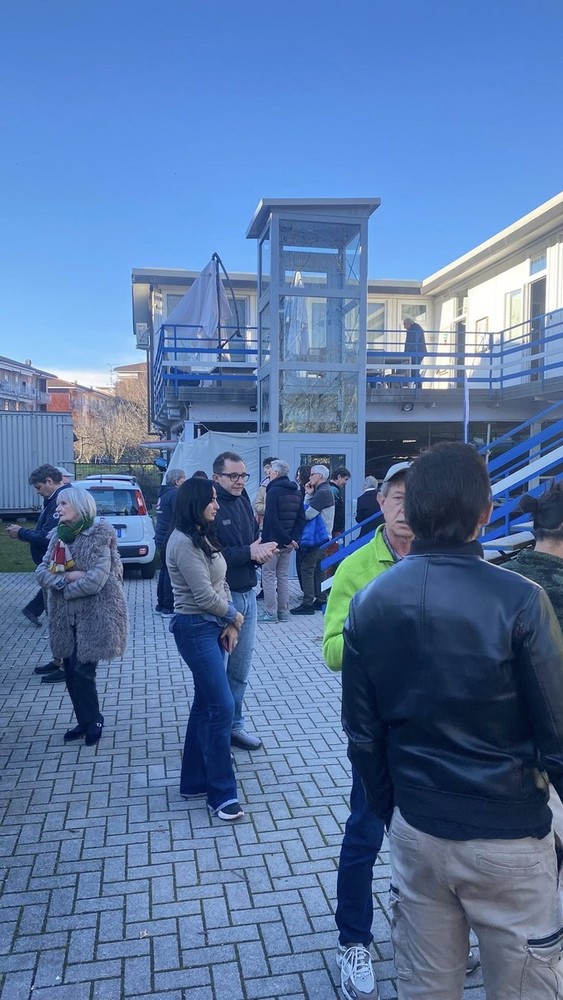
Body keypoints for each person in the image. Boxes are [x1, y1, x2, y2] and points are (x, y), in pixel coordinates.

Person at [342, 442, 563, 1000]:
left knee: (424, 986)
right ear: (484, 512)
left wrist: (394, 810)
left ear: (411, 510)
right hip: (508, 834)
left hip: (416, 830)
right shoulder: (522, 600)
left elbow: (363, 736)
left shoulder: (368, 602)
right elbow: (558, 736)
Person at [323, 461, 412, 1000]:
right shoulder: (358, 566)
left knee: (432, 838)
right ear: (380, 502)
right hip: (376, 732)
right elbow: (332, 650)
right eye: (397, 496)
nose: (406, 507)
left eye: (415, 497)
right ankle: (353, 939)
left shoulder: (440, 561)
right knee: (365, 832)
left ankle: (428, 929)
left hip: (434, 729)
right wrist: (382, 630)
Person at [166, 478, 245, 821]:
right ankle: (222, 795)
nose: (217, 504)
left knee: (204, 704)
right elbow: (202, 596)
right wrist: (235, 616)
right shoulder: (183, 542)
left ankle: (194, 782)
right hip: (194, 628)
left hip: (215, 626)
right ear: (194, 504)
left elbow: (221, 583)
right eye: (211, 500)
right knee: (222, 706)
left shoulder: (203, 535)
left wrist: (230, 623)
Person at [36, 487, 128, 746]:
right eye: (58, 504)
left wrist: (63, 589)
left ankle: (95, 720)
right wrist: (67, 577)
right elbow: (41, 572)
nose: (58, 508)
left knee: (82, 671)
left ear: (80, 507)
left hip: (95, 617)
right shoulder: (58, 536)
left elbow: (96, 581)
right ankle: (84, 720)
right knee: (69, 672)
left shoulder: (100, 536)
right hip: (65, 618)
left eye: (63, 504)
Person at [212, 451, 277, 750]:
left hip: (249, 594)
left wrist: (259, 553)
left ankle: (235, 726)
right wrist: (249, 553)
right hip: (224, 599)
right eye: (233, 476)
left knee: (239, 671)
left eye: (243, 475)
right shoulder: (210, 508)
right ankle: (216, 731)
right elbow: (212, 556)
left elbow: (250, 543)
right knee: (217, 672)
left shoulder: (243, 500)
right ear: (217, 477)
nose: (240, 481)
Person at [6, 463, 69, 682]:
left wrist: (21, 532)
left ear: (49, 481)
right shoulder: (53, 500)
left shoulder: (61, 500)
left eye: (39, 487)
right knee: (54, 620)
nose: (38, 491)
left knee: (60, 620)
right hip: (51, 568)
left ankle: (66, 665)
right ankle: (58, 660)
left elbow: (47, 536)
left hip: (57, 568)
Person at [258, 460, 306, 623]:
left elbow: (272, 519)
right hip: (288, 543)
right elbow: (301, 518)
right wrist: (293, 539)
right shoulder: (296, 491)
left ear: (276, 473)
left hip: (272, 541)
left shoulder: (273, 491)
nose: (268, 474)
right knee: (283, 576)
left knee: (268, 575)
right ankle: (283, 612)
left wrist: (287, 539)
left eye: (270, 471)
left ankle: (271, 612)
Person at [291, 465, 335, 615]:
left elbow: (308, 514)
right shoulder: (324, 490)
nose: (309, 478)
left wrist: (307, 499)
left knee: (307, 568)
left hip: (318, 538)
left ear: (320, 476)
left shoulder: (322, 492)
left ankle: (308, 602)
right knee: (318, 569)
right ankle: (321, 598)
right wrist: (309, 495)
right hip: (324, 537)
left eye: (312, 475)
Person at [154, 468, 186, 616]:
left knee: (164, 570)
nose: (185, 481)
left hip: (161, 535)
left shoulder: (163, 493)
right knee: (170, 571)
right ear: (177, 481)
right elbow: (180, 514)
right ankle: (168, 607)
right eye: (183, 478)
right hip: (169, 536)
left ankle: (160, 604)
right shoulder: (175, 494)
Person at [253, 456, 277, 529]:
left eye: (268, 467)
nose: (266, 470)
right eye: (265, 467)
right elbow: (257, 506)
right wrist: (271, 508)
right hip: (265, 525)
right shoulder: (262, 487)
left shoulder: (284, 485)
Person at [402, 317, 427, 386]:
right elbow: (409, 342)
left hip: (417, 352)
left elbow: (412, 342)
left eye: (405, 325)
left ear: (409, 324)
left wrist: (406, 353)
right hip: (417, 352)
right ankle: (418, 385)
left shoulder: (415, 328)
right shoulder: (413, 328)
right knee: (414, 369)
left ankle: (418, 386)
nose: (404, 327)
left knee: (414, 369)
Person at [329, 467, 351, 538]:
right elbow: (335, 511)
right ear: (339, 477)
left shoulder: (332, 489)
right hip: (334, 529)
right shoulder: (333, 490)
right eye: (345, 479)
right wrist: (337, 529)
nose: (346, 483)